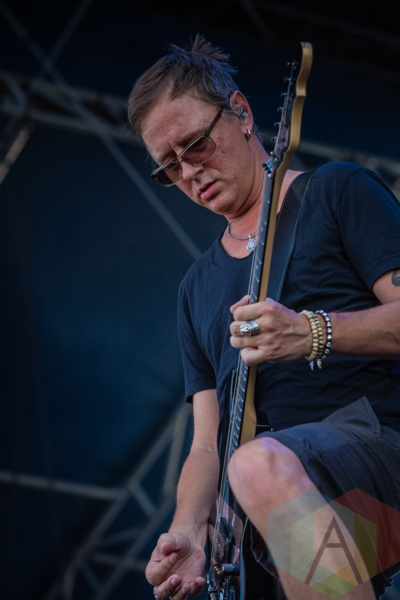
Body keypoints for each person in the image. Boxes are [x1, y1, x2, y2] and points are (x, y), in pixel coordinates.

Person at [127, 36, 400, 600]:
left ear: (242, 113)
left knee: (255, 466)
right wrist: (190, 529)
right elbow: (206, 445)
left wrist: (313, 332)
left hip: (377, 465)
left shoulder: (337, 192)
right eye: (169, 167)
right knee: (249, 475)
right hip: (271, 515)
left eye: (195, 144)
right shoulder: (195, 289)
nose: (189, 171)